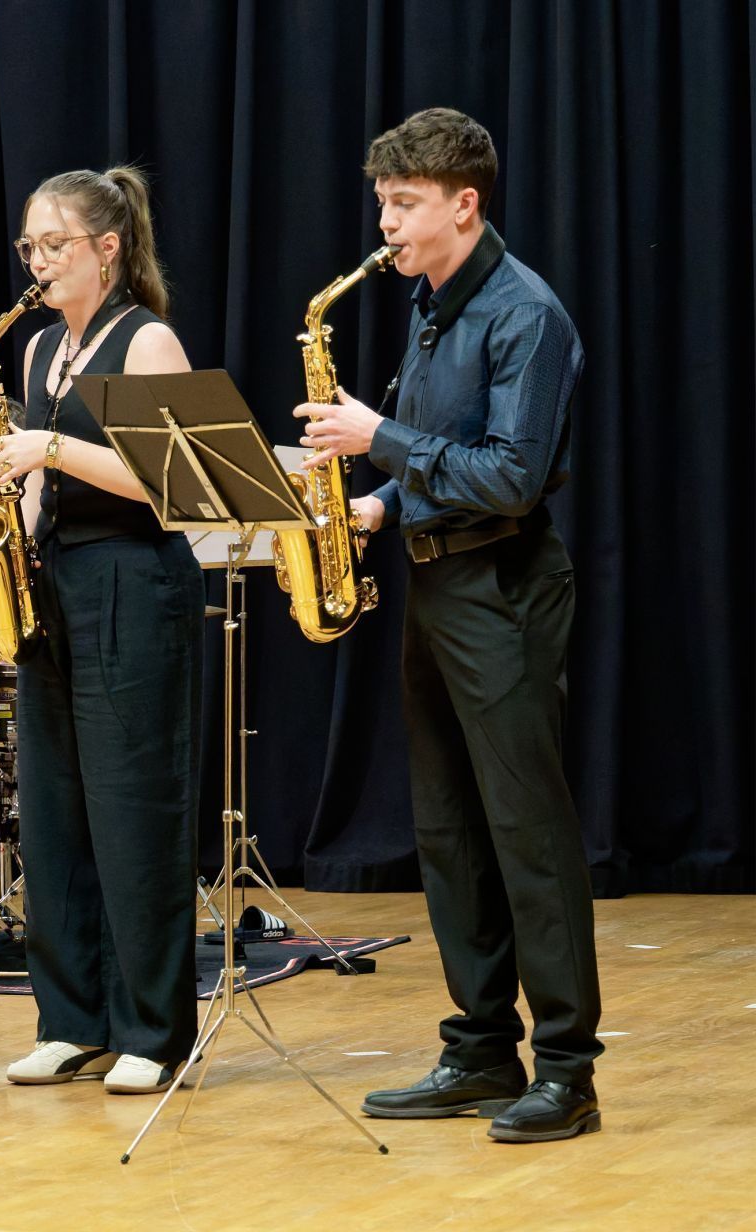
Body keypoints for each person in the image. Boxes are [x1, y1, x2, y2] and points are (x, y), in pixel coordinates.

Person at [297, 107, 600, 1143]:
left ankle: (565, 1065)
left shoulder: (523, 313)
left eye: (405, 204)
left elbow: (511, 478)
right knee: (447, 828)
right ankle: (477, 1046)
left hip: (504, 586)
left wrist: (377, 439)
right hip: (436, 581)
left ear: (463, 205)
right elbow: (448, 457)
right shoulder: (428, 304)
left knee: (524, 829)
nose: (385, 223)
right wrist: (377, 503)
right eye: (381, 202)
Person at [0, 167, 203, 1094]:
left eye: (54, 244)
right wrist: (0, 536)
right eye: (29, 246)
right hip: (56, 585)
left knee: (134, 812)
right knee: (57, 814)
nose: (37, 262)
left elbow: (178, 488)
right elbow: (39, 485)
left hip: (135, 584)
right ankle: (71, 1020)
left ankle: (152, 1030)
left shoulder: (148, 344)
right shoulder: (35, 352)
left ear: (108, 249)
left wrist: (53, 447)